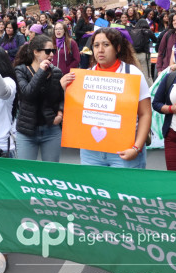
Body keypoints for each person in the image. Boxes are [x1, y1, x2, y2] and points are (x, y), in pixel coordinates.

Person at [62, 28, 152, 169]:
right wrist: (65, 89)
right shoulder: (85, 76)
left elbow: (145, 113)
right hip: (90, 152)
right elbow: (77, 113)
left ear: (117, 48)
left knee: (124, 191)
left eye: (106, 45)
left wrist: (136, 148)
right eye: (96, 45)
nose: (100, 50)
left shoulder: (132, 74)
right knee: (94, 191)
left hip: (124, 150)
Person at [13, 35, 64, 162]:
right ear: (36, 52)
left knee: (50, 173)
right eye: (48, 51)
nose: (51, 54)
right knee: (26, 172)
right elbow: (27, 94)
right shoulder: (21, 71)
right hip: (27, 131)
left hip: (51, 129)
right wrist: (41, 71)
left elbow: (60, 98)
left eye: (53, 51)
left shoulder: (56, 72)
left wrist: (60, 113)